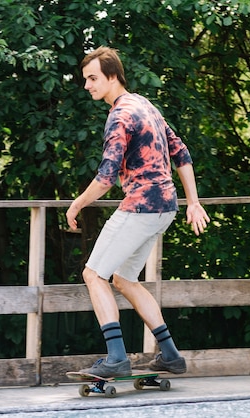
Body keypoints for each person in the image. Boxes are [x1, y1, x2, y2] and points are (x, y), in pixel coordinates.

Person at [66, 47, 210, 378]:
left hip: (141, 205)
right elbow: (182, 152)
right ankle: (171, 355)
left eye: (93, 78)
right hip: (166, 207)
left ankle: (116, 357)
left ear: (112, 76)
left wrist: (76, 204)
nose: (87, 86)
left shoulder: (119, 116)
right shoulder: (145, 105)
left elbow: (105, 178)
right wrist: (193, 201)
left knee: (94, 275)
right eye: (86, 79)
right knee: (124, 279)